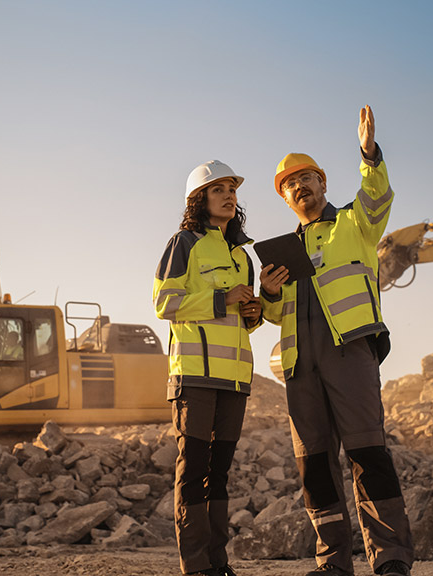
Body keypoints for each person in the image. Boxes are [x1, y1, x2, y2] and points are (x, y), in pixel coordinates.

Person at [258, 106, 415, 576]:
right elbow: (271, 314)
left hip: (350, 351)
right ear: (286, 198)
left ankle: (389, 558)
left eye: (307, 178)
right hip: (299, 365)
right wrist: (267, 292)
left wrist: (369, 154)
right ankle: (333, 563)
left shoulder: (355, 224)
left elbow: (377, 196)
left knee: (367, 453)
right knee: (315, 465)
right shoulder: (281, 253)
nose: (300, 187)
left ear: (323, 184)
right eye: (291, 184)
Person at [153, 160, 262, 576]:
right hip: (195, 377)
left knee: (219, 474)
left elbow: (244, 321)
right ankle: (196, 566)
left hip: (234, 380)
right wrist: (221, 299)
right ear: (199, 199)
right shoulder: (184, 242)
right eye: (219, 189)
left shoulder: (241, 255)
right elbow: (165, 302)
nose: (229, 195)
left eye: (232, 189)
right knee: (193, 469)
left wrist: (253, 310)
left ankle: (219, 562)